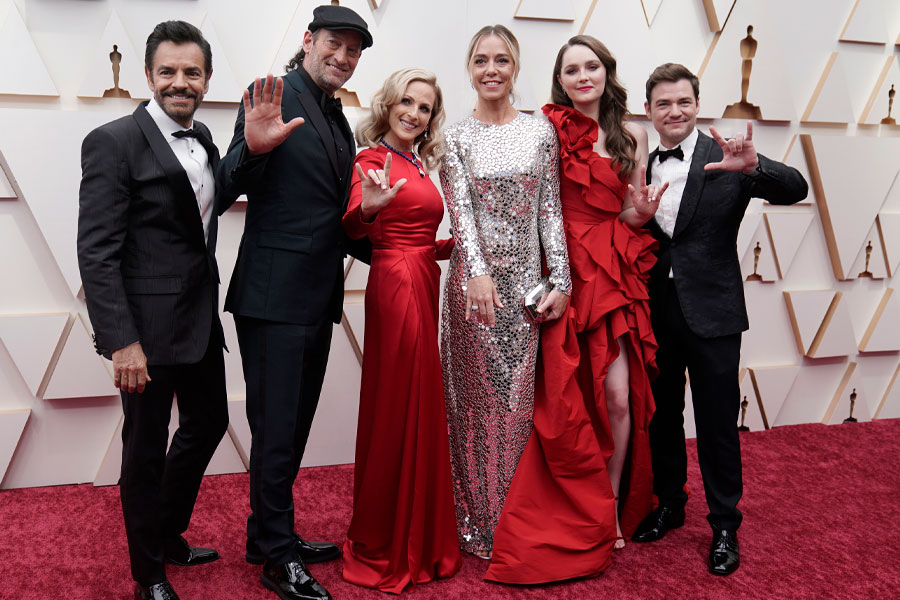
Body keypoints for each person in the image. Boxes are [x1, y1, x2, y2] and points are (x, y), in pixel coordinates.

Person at [486, 35, 666, 584]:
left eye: (592, 66)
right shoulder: (545, 127)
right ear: (560, 80)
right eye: (572, 70)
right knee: (564, 394)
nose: (583, 76)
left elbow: (629, 215)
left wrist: (640, 215)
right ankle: (544, 498)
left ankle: (606, 504)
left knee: (617, 396)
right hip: (560, 269)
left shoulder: (632, 134)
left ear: (607, 72)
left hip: (609, 269)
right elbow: (528, 200)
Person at [216, 5, 372, 600]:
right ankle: (278, 559)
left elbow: (334, 214)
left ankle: (267, 534)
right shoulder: (270, 95)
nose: (343, 57)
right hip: (272, 295)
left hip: (316, 295)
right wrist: (254, 150)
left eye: (353, 51)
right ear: (308, 40)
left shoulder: (337, 116)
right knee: (277, 429)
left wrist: (401, 251)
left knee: (293, 426)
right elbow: (225, 185)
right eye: (335, 43)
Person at [632, 63, 808, 576]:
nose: (674, 111)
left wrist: (754, 167)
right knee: (661, 414)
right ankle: (670, 502)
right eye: (663, 104)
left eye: (683, 101)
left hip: (714, 312)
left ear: (697, 104)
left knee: (716, 422)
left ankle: (725, 524)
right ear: (649, 111)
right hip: (654, 309)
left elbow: (795, 188)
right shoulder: (639, 163)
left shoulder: (728, 156)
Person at [77, 20, 227, 600]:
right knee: (143, 451)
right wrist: (122, 341)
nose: (179, 82)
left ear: (206, 78)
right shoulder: (112, 141)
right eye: (168, 71)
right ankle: (149, 576)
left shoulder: (204, 137)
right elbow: (97, 252)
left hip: (199, 321)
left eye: (192, 72)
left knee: (208, 422)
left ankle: (165, 531)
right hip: (143, 333)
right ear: (148, 75)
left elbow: (202, 214)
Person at [440, 24, 571, 561]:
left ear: (515, 67)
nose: (490, 69)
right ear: (469, 69)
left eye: (501, 60)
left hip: (525, 293)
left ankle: (512, 520)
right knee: (473, 405)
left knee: (516, 407)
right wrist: (476, 273)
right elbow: (461, 214)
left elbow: (550, 210)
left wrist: (561, 279)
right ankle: (474, 520)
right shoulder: (455, 136)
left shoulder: (540, 132)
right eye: (481, 60)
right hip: (473, 291)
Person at [341, 68, 461, 594]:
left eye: (425, 107)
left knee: (414, 397)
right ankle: (388, 537)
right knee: (400, 400)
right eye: (406, 102)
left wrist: (459, 247)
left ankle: (416, 527)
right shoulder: (370, 160)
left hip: (423, 276)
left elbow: (421, 237)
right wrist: (368, 208)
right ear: (388, 105)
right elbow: (353, 222)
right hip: (395, 283)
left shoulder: (417, 162)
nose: (414, 113)